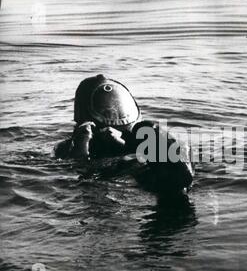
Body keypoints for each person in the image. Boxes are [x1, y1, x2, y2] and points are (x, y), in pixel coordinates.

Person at [54, 74, 194, 193]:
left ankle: (173, 177)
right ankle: (175, 179)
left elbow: (74, 168)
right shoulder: (71, 145)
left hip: (117, 175)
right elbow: (77, 165)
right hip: (132, 173)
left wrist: (118, 143)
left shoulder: (68, 146)